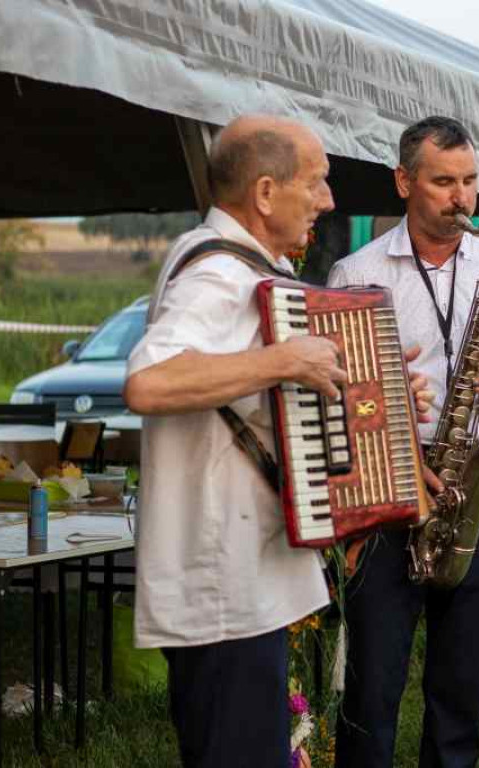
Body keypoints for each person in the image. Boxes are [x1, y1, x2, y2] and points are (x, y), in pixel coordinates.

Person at [327, 116, 479, 767]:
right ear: (404, 181)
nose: (462, 199)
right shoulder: (357, 272)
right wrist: (398, 448)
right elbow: (337, 401)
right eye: (443, 182)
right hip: (390, 480)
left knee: (461, 683)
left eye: (471, 182)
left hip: (476, 482)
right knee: (373, 681)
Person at [124, 115, 344, 767]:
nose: (328, 201)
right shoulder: (218, 276)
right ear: (267, 192)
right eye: (319, 182)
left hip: (246, 577)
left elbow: (260, 401)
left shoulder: (250, 269)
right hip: (222, 587)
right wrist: (284, 361)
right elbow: (149, 381)